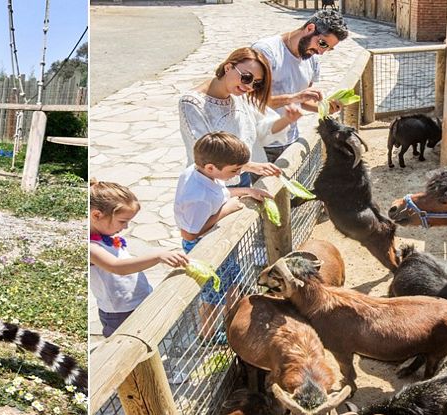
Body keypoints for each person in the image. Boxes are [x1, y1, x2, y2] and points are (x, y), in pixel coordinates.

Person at [174, 132, 274, 341]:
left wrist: (247, 190)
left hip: (218, 243)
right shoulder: (198, 196)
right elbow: (190, 232)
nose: (237, 173)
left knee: (231, 280)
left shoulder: (201, 173)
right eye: (234, 170)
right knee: (213, 294)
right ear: (211, 167)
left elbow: (222, 192)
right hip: (204, 249)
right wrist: (226, 210)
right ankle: (207, 334)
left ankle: (233, 322)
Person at [179, 47, 298, 187]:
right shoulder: (191, 103)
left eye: (256, 83)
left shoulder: (239, 96)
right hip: (209, 184)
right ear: (228, 67)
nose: (249, 86)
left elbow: (261, 130)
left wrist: (287, 120)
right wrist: (250, 166)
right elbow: (205, 151)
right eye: (246, 78)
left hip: (242, 176)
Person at [89, 180, 189, 338]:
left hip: (139, 300)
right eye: (122, 221)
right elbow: (117, 267)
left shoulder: (107, 237)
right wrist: (157, 256)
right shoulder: (91, 247)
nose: (126, 227)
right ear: (96, 215)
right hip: (119, 311)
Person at [253, 10, 349, 163]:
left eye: (328, 48)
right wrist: (294, 97)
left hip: (291, 139)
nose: (321, 52)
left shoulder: (312, 60)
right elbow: (251, 101)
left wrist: (324, 108)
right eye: (322, 43)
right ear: (310, 28)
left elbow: (302, 101)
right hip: (262, 142)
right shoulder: (266, 51)